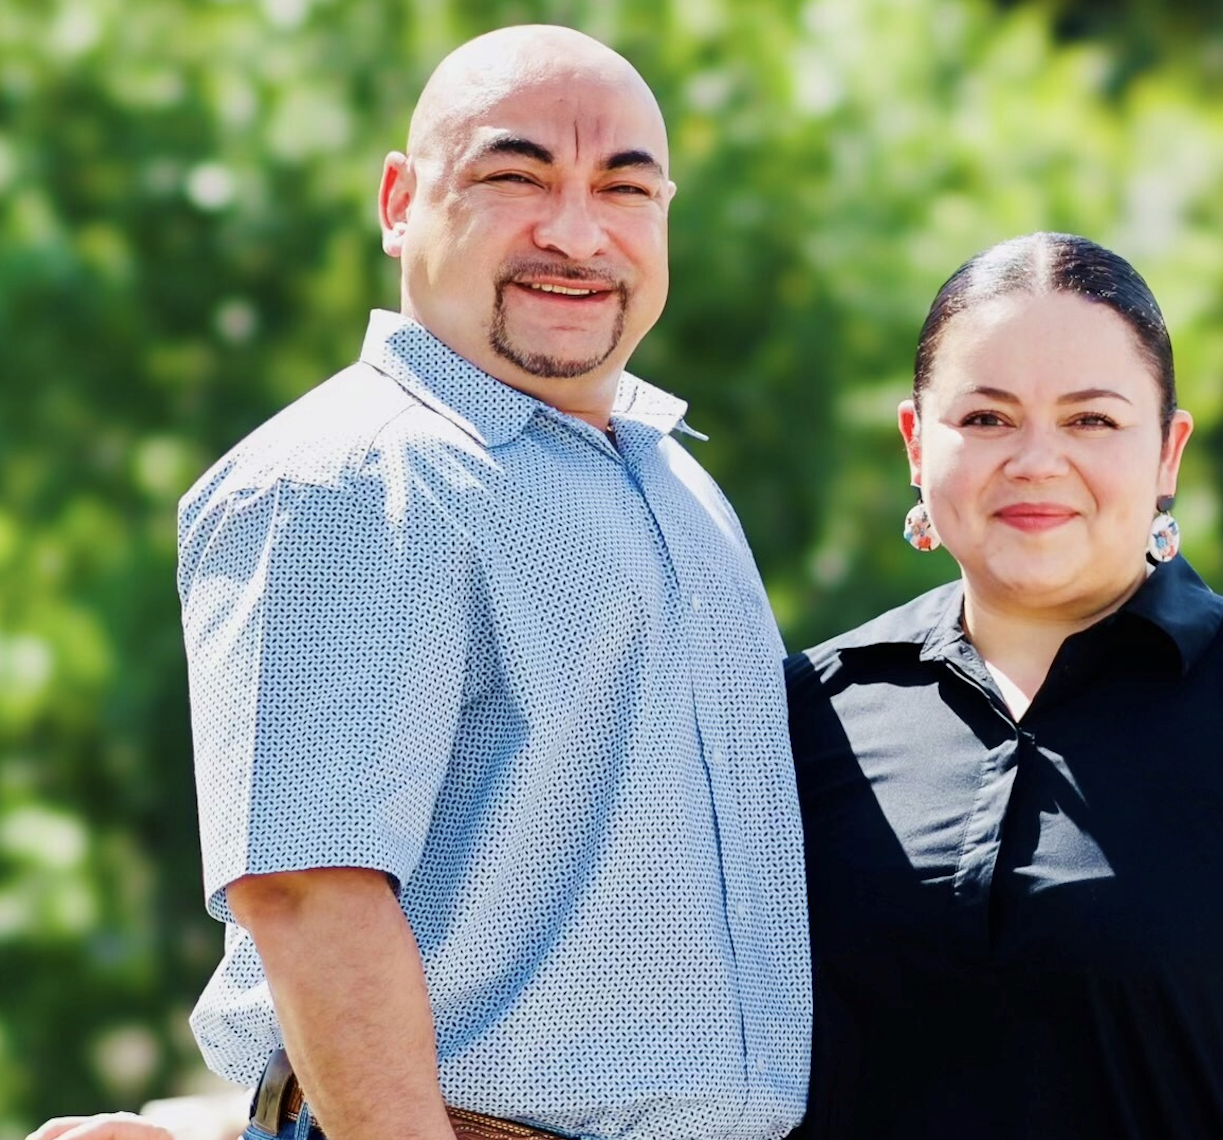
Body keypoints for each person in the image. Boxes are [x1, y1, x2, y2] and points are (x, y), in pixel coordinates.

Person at [31, 24, 810, 1140]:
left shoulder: (676, 482)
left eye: (624, 190)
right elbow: (306, 892)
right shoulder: (349, 479)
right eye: (515, 175)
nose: (578, 232)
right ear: (399, 200)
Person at [785, 231, 1223, 1139]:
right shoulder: (806, 716)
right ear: (914, 442)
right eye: (985, 418)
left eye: (1091, 420)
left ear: (1168, 452)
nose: (1037, 461)